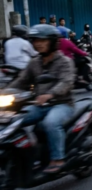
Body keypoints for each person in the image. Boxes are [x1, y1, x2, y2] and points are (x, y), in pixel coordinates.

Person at [8, 24, 75, 174]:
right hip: (39, 105)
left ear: (52, 42)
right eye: (35, 40)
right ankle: (30, 156)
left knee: (50, 123)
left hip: (62, 104)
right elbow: (21, 81)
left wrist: (50, 94)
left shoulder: (65, 62)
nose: (38, 44)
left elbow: (67, 82)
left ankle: (58, 159)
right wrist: (5, 92)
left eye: (42, 40)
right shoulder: (34, 62)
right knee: (14, 120)